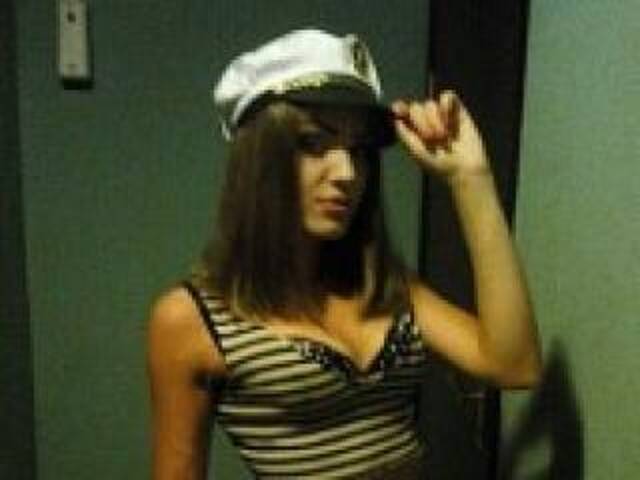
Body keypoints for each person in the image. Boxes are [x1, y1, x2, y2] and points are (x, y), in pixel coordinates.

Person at [147, 28, 542, 480]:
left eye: (359, 150)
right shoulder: (191, 318)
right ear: (259, 161)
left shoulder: (387, 287)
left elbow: (515, 365)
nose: (347, 172)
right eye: (314, 143)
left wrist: (471, 177)